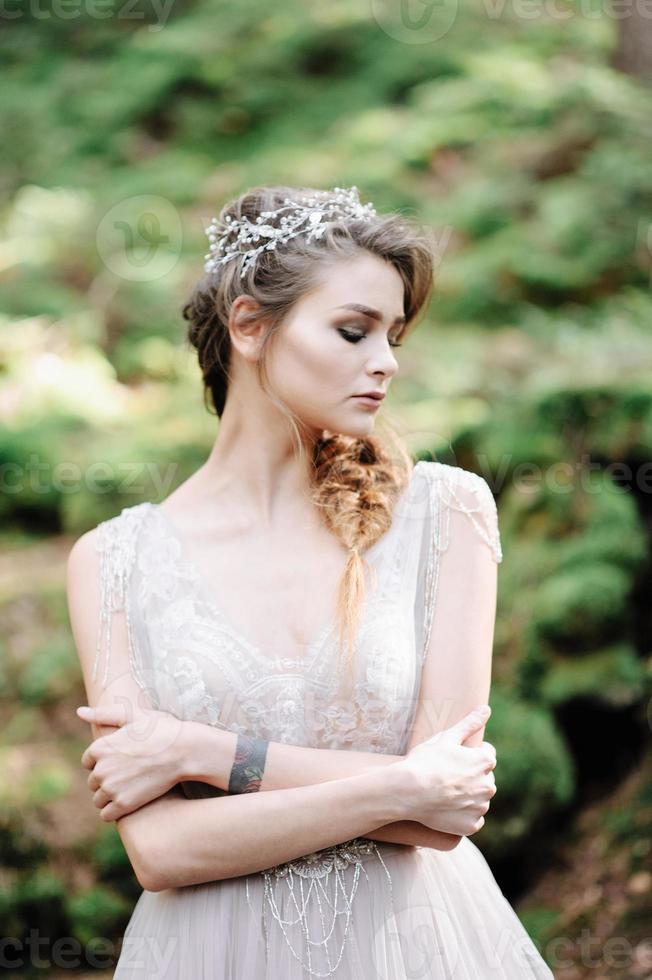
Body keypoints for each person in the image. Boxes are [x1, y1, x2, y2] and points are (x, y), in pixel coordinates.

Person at [67, 185, 554, 978]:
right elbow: (159, 851)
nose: (387, 361)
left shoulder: (446, 513)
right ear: (250, 326)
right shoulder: (113, 562)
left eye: (394, 336)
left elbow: (448, 810)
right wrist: (398, 788)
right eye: (354, 331)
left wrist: (206, 752)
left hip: (418, 947)